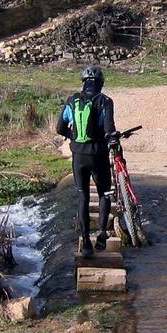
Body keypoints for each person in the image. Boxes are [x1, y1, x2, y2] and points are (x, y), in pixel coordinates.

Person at [56, 65, 117, 257]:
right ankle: (101, 234)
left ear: (84, 83)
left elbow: (59, 128)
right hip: (98, 155)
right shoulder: (105, 101)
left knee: (82, 196)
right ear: (101, 84)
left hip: (79, 156)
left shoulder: (72, 100)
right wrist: (112, 138)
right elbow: (109, 128)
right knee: (104, 193)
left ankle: (86, 245)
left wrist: (72, 135)